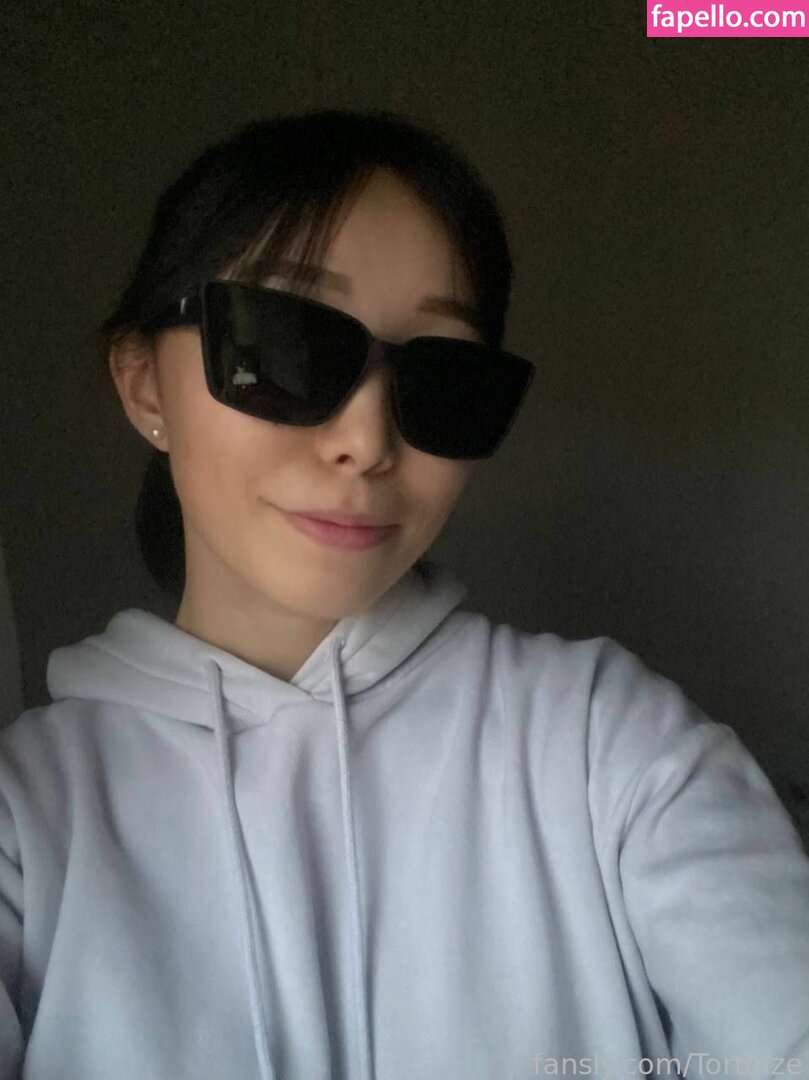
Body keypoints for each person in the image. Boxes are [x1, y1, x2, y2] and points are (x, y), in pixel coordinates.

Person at [0, 108, 807, 1080]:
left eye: (440, 374)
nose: (366, 441)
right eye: (285, 343)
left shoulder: (608, 742)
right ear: (144, 387)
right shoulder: (26, 817)